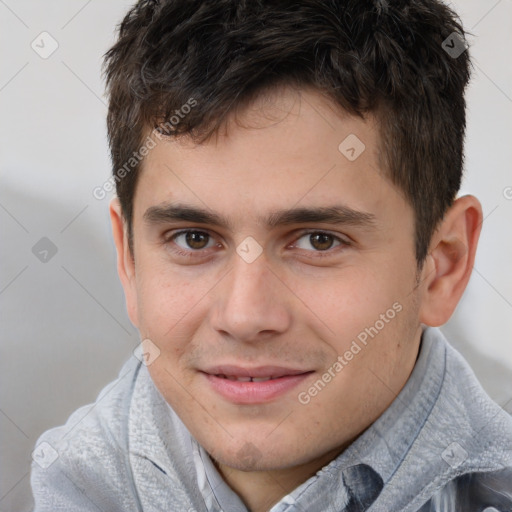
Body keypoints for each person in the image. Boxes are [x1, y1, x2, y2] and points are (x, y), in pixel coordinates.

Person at [30, 0, 512, 510]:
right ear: (129, 262)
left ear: (442, 266)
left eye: (318, 240)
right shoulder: (67, 482)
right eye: (194, 239)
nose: (244, 316)